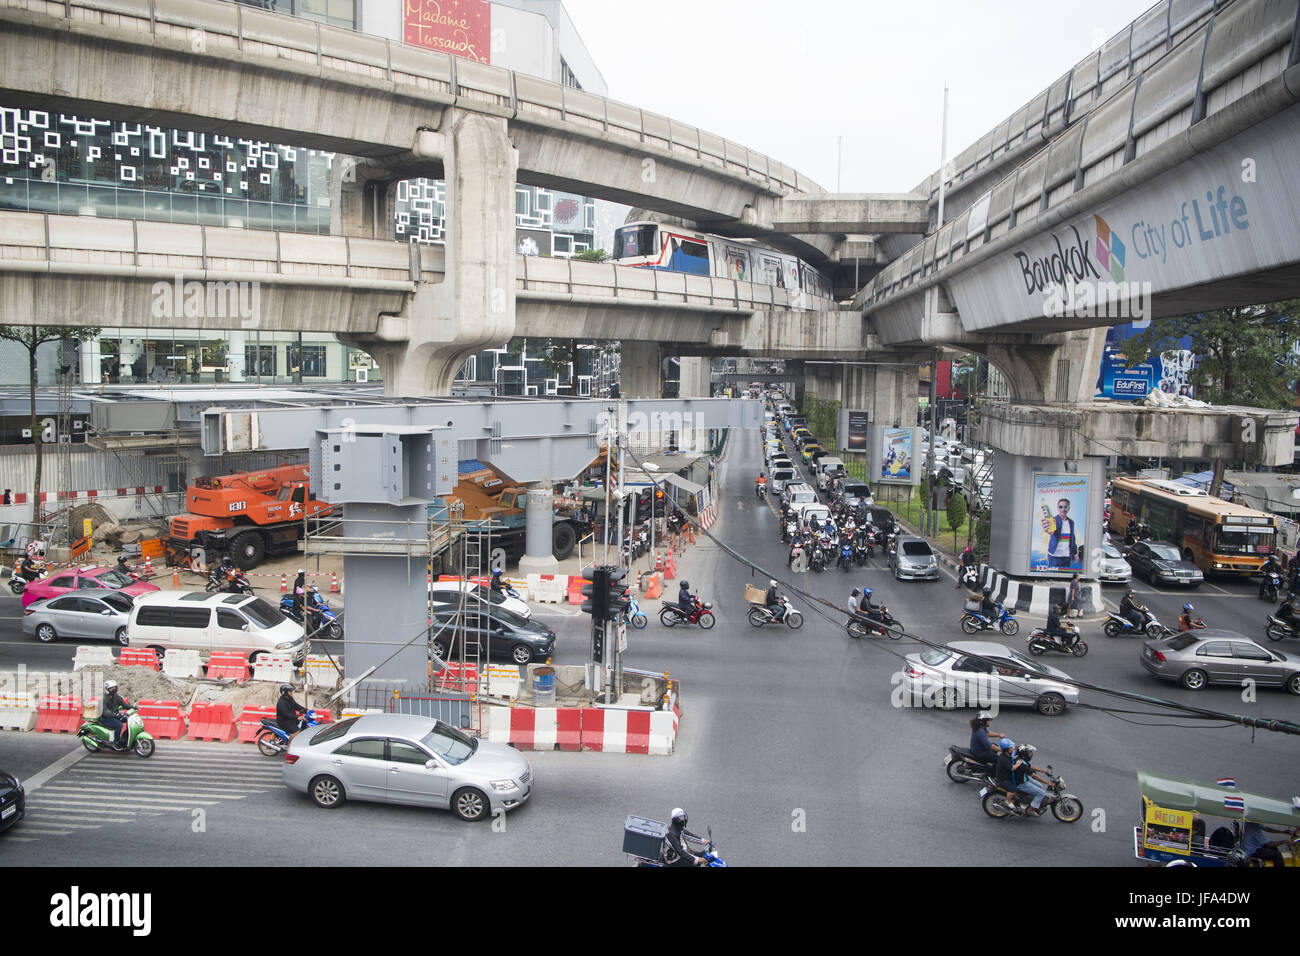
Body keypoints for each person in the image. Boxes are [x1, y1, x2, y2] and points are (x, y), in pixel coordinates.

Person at [1043, 497, 1080, 570]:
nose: (1063, 509)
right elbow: (1051, 531)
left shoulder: (1071, 522)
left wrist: (1075, 554)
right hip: (1054, 556)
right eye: (1061, 507)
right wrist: (1048, 530)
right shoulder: (1053, 520)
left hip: (1066, 557)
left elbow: (1072, 539)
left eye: (1065, 507)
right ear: (1058, 508)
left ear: (1069, 508)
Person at [100, 679, 131, 749]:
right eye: (111, 688)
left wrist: (133, 707)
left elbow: (124, 705)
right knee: (119, 725)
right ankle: (115, 742)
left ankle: (126, 738)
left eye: (115, 687)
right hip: (105, 718)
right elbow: (105, 711)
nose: (113, 689)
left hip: (114, 715)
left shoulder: (116, 696)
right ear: (107, 689)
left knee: (128, 720)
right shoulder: (104, 699)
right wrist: (114, 714)